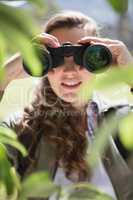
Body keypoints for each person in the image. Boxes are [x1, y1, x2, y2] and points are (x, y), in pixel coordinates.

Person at [1, 10, 133, 200]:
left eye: (84, 57)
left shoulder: (122, 123)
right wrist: (5, 76)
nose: (70, 72)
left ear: (101, 62)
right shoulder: (22, 130)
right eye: (57, 59)